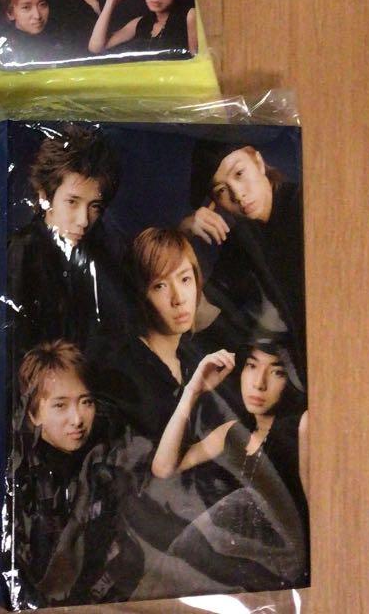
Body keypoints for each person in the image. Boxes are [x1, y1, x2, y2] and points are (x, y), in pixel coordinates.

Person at [150, 337, 310, 592]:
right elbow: (163, 467)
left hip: (282, 576)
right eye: (252, 366)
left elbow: (317, 516)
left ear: (291, 379)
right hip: (229, 572)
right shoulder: (232, 433)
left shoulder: (303, 425)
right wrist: (192, 391)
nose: (259, 383)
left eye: (277, 372)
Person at [12, 341, 137, 606]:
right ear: (33, 414)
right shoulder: (21, 477)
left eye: (86, 402)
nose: (78, 419)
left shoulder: (109, 460)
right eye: (60, 405)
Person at [181, 140, 306, 366]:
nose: (237, 194)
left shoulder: (305, 204)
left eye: (239, 173)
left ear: (258, 162)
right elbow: (198, 315)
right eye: (221, 190)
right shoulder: (240, 242)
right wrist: (184, 235)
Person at [7, 125, 126, 357]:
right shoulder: (22, 252)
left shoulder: (101, 253)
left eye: (94, 206)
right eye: (72, 202)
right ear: (44, 196)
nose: (84, 220)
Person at [96, 228, 209, 442]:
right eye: (160, 286)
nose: (178, 299)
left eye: (185, 279)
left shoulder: (192, 358)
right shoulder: (124, 373)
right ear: (140, 295)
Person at [0, 0, 63, 67]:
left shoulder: (60, 41)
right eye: (26, 7)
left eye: (42, 4)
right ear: (10, 13)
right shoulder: (2, 53)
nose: (37, 15)